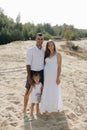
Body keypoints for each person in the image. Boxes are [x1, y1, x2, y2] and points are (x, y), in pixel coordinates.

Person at [40, 39, 63, 114]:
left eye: (51, 45)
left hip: (54, 76)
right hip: (47, 77)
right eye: (49, 45)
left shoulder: (58, 54)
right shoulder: (46, 55)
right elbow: (44, 65)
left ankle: (54, 107)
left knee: (54, 90)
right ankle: (47, 107)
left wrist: (58, 77)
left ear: (54, 45)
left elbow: (59, 67)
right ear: (47, 47)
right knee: (47, 90)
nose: (50, 47)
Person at [23, 33, 44, 113]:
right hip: (32, 72)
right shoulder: (30, 50)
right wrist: (29, 77)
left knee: (39, 91)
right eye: (38, 38)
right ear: (36, 39)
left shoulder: (44, 51)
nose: (40, 40)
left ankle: (37, 110)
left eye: (41, 39)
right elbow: (28, 65)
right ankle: (24, 109)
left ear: (43, 40)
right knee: (28, 91)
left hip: (41, 73)